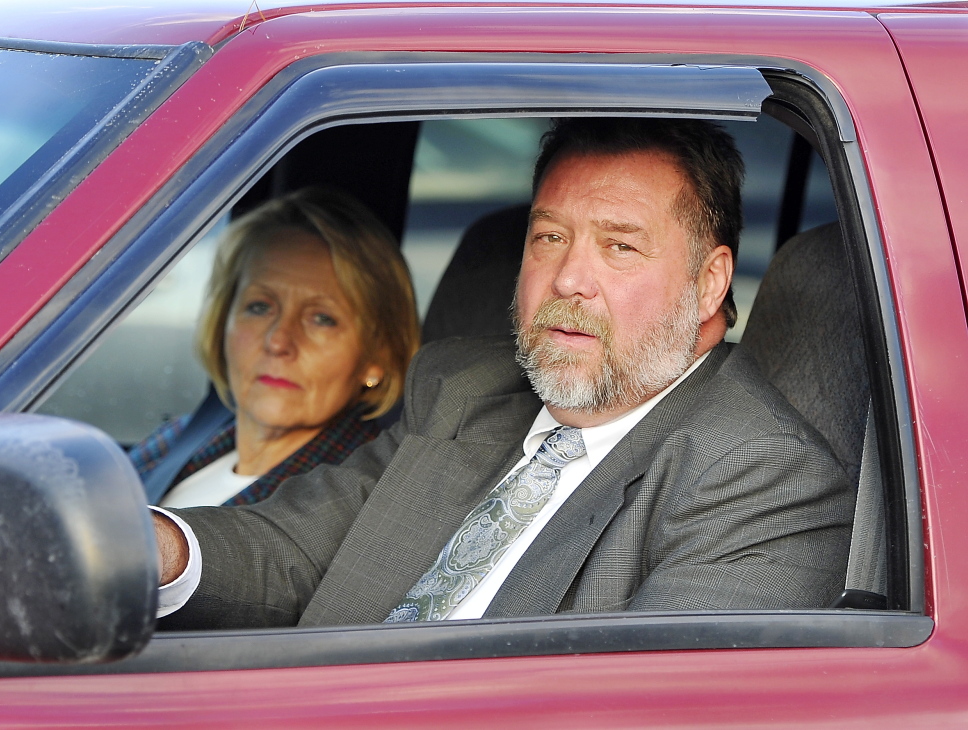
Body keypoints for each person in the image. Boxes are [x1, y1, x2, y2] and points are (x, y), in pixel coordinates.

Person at [152, 117, 853, 628]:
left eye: (619, 246)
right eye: (550, 237)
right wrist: (153, 549)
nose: (569, 278)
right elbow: (295, 550)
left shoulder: (766, 479)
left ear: (708, 285)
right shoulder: (463, 389)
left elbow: (631, 708)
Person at [131, 186, 419, 508]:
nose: (278, 341)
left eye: (322, 318)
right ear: (223, 320)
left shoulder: (354, 504)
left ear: (376, 356)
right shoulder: (181, 439)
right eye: (259, 307)